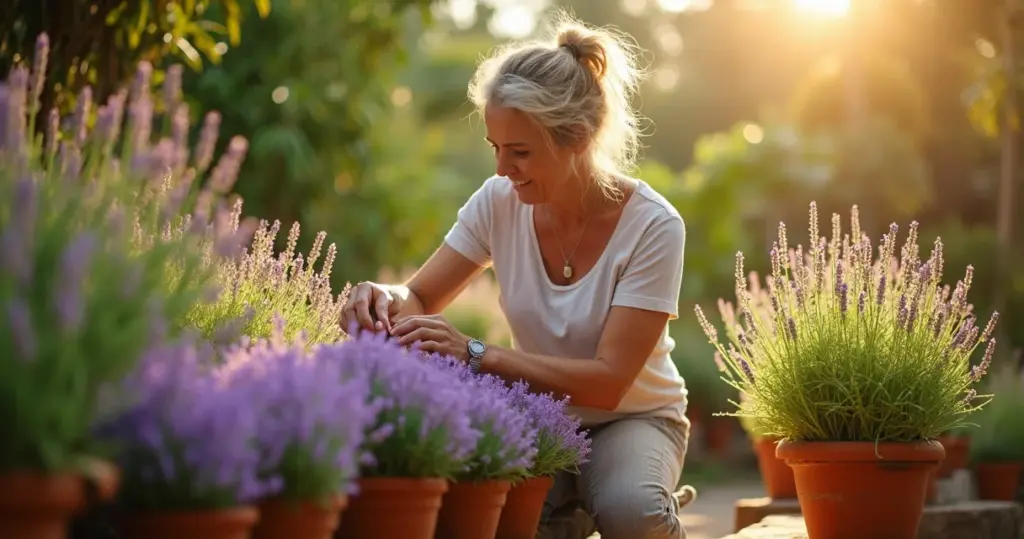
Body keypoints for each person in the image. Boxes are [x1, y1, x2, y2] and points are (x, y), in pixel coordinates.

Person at [339, 11, 694, 539]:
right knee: (487, 517)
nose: (502, 169)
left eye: (520, 152)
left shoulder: (654, 226)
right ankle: (571, 511)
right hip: (540, 416)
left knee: (631, 514)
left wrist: (478, 355)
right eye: (496, 149)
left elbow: (610, 382)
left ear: (578, 136)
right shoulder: (499, 201)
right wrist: (382, 296)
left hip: (635, 418)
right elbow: (419, 294)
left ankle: (634, 499)